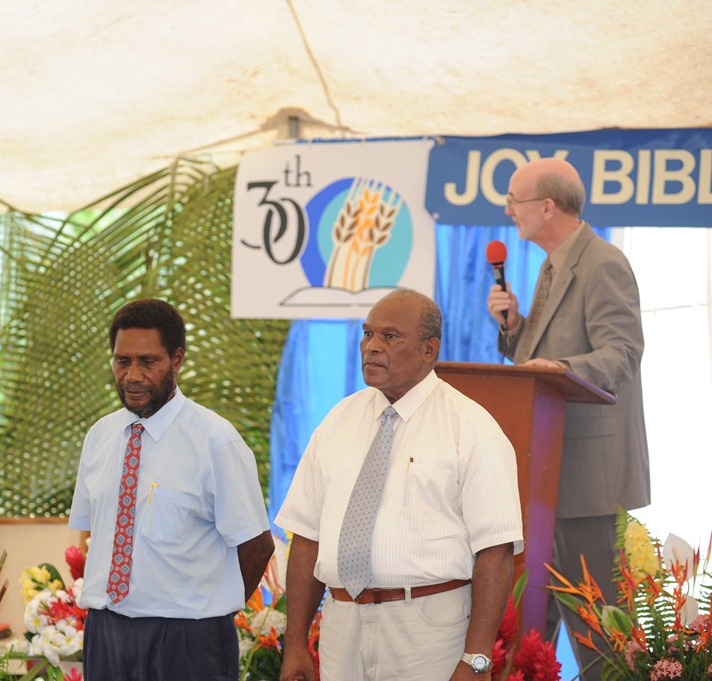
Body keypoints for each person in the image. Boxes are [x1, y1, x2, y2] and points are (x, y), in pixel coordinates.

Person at [277, 289, 523, 681]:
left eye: (390, 337)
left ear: (429, 350)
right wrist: (295, 643)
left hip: (425, 626)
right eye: (368, 334)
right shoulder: (337, 421)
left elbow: (496, 551)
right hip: (341, 622)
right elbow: (307, 537)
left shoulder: (472, 429)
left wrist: (477, 659)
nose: (372, 347)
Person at [486, 157, 649, 679]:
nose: (508, 210)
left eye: (514, 200)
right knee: (534, 634)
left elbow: (622, 353)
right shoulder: (552, 265)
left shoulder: (602, 263)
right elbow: (537, 362)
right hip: (548, 476)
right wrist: (515, 327)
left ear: (547, 207)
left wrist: (561, 367)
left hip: (588, 480)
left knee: (600, 640)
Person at [68, 298, 275, 681]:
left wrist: (210, 612)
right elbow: (94, 533)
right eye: (122, 361)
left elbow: (257, 546)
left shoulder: (215, 441)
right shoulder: (99, 436)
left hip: (188, 640)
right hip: (106, 633)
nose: (132, 375)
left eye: (148, 362)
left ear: (176, 360)